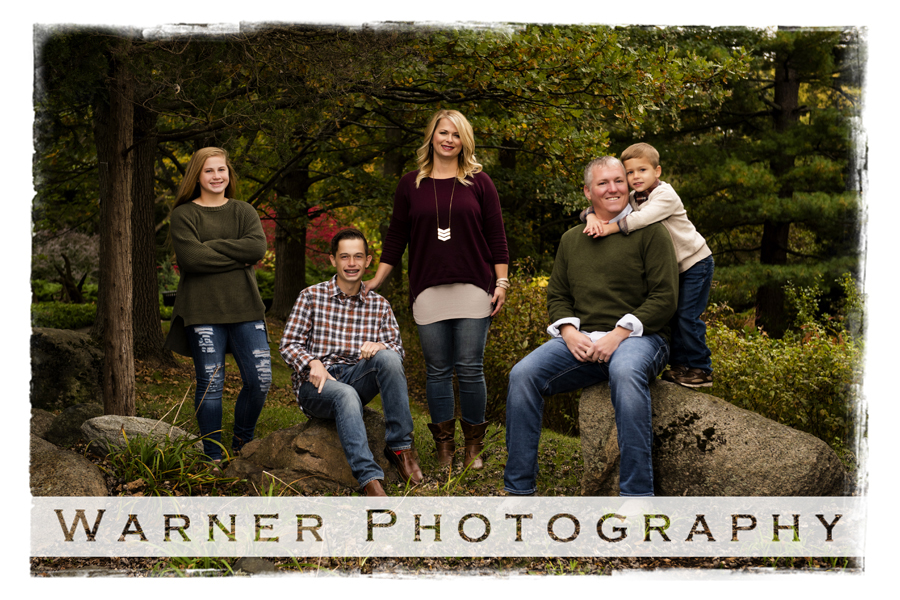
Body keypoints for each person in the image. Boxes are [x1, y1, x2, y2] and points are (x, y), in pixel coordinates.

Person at [504, 156, 678, 496]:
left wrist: (619, 334)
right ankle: (519, 491)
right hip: (582, 341)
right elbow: (557, 296)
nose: (613, 188)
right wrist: (569, 333)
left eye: (618, 180)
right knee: (522, 375)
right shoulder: (572, 239)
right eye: (603, 183)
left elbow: (664, 298)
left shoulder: (651, 232)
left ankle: (637, 496)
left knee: (626, 372)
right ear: (587, 192)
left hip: (641, 337)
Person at [366, 109, 509, 470]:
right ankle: (444, 449)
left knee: (470, 368)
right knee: (438, 371)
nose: (449, 139)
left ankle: (473, 449)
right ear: (431, 136)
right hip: (428, 289)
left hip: (474, 287)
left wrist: (502, 281)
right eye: (443, 132)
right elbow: (396, 237)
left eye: (456, 134)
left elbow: (497, 237)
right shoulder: (410, 183)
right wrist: (377, 279)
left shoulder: (480, 183)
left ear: (465, 141)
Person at [280, 228, 423, 497]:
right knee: (344, 394)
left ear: (368, 261)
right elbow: (288, 344)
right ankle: (369, 478)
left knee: (388, 358)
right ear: (333, 260)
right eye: (344, 257)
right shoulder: (310, 296)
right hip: (317, 386)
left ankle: (400, 447)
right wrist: (313, 362)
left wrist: (380, 346)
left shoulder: (380, 305)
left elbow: (397, 352)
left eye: (358, 257)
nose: (352, 263)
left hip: (356, 375)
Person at [164, 147, 271, 468]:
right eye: (209, 171)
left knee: (261, 379)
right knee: (211, 385)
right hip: (202, 311)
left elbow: (257, 247)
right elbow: (191, 260)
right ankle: (212, 455)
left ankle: (243, 442)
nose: (216, 176)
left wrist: (210, 247)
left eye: (221, 170)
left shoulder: (243, 211)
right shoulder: (184, 215)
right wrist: (236, 256)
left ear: (229, 174)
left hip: (246, 309)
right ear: (197, 175)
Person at [581, 142, 714, 388]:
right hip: (675, 268)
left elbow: (641, 219)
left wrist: (609, 228)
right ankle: (681, 366)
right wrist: (590, 216)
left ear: (658, 171)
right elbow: (602, 205)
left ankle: (701, 368)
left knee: (687, 315)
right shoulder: (633, 197)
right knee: (672, 315)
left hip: (695, 263)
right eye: (629, 173)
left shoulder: (665, 195)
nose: (635, 177)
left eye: (642, 170)